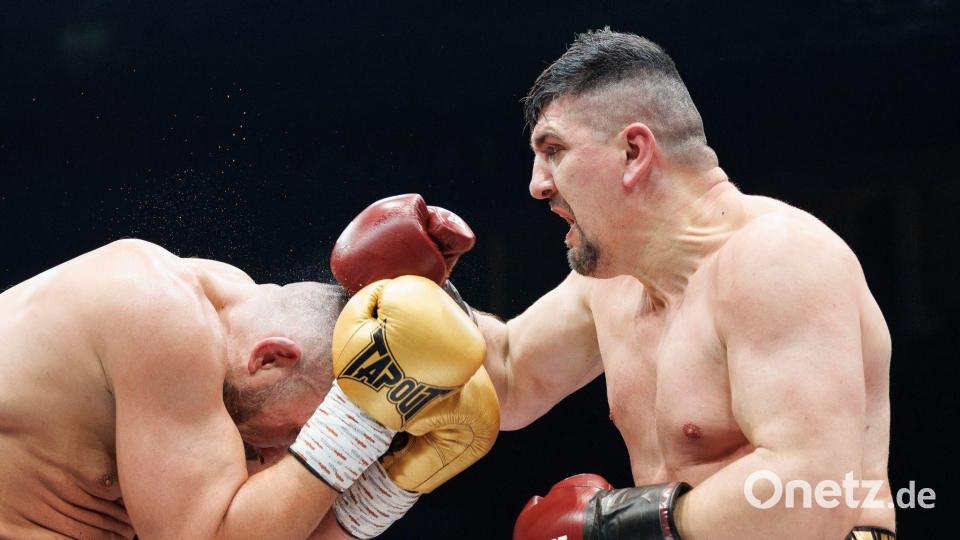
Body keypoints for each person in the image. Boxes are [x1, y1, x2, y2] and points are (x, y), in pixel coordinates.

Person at [471, 28, 893, 539]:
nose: (538, 185)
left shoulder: (776, 257)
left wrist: (614, 528)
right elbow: (509, 375)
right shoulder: (615, 283)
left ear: (633, 151)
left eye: (554, 150)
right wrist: (405, 288)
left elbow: (808, 493)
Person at [0, 235, 497, 540]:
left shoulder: (236, 371)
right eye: (314, 427)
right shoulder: (156, 309)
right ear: (273, 357)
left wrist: (389, 488)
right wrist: (356, 422)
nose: (291, 448)